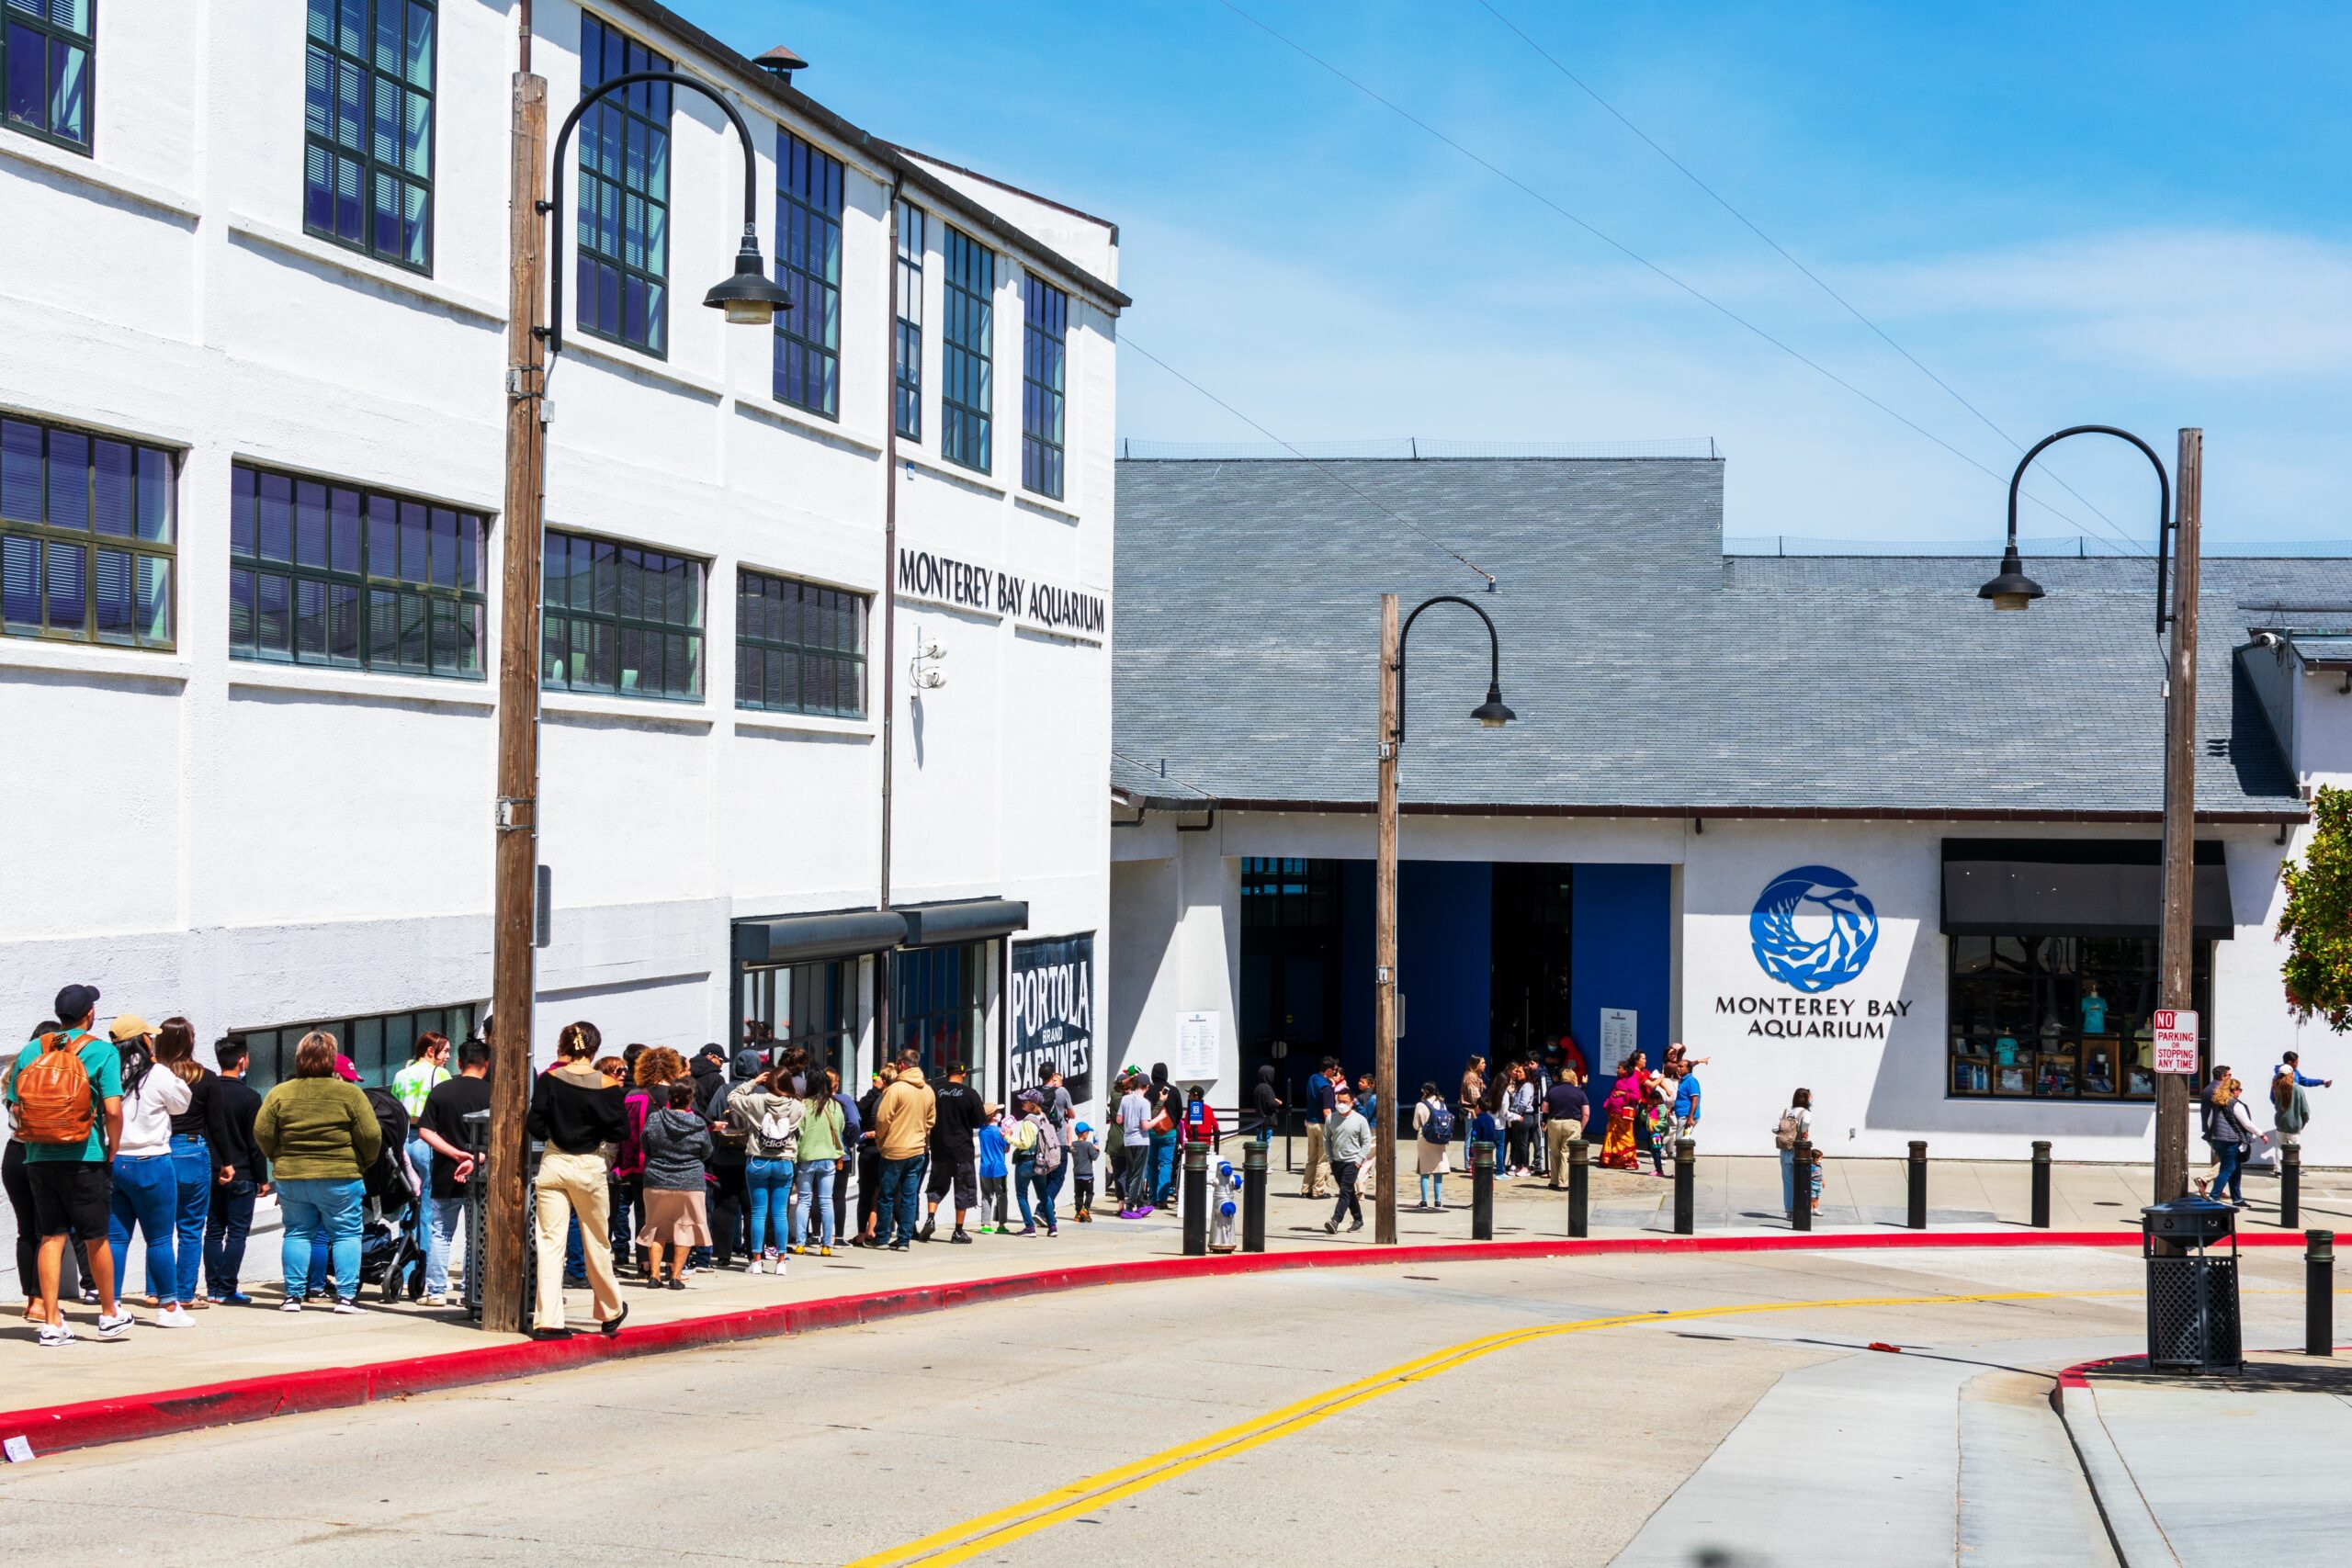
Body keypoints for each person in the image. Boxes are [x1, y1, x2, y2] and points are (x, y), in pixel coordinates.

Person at [6, 986, 130, 1345]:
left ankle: (51, 1322)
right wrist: (112, 1147)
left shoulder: (33, 1048)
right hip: (84, 1156)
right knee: (96, 1238)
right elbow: (112, 1110)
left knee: (51, 1236)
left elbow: (15, 1105)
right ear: (90, 1013)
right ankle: (109, 1313)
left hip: (38, 1158)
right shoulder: (103, 1051)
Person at [254, 1031, 379, 1315]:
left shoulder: (280, 1093)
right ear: (332, 1060)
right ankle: (346, 1298)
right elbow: (371, 1135)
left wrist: (277, 1157)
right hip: (341, 1174)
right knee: (346, 1233)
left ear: (299, 1058)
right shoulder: (350, 1093)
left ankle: (292, 1297)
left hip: (292, 1176)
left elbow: (262, 1132)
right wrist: (362, 1163)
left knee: (297, 1233)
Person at [524, 1022, 628, 1338]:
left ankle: (548, 1320)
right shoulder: (608, 1084)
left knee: (550, 1243)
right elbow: (620, 1131)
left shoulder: (550, 1080)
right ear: (594, 1049)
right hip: (589, 1165)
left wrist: (556, 1133)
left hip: (554, 1161)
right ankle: (610, 1310)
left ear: (565, 1047)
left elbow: (535, 1124)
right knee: (596, 1239)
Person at [107, 1012, 193, 1324]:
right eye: (149, 1036)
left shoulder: (106, 1071)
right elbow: (182, 1103)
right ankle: (169, 1307)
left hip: (114, 1162)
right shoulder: (156, 1074)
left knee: (116, 1238)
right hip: (152, 1161)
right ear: (142, 1040)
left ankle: (112, 1305)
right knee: (158, 1238)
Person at [153, 1016, 225, 1314]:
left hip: (159, 1149)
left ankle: (156, 1291)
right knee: (191, 1228)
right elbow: (217, 1126)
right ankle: (184, 1293)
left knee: (158, 1229)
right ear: (189, 1041)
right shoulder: (206, 1078)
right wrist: (227, 1162)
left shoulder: (153, 1076)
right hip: (193, 1150)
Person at [413, 1037, 491, 1305]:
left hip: (446, 1170)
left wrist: (454, 1153)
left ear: (459, 1062)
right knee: (476, 1236)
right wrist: (477, 1157)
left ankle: (435, 1292)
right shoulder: (493, 1093)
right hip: (482, 1173)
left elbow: (424, 1130)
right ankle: (470, 1291)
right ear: (487, 1064)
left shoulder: (441, 1091)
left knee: (441, 1232)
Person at [204, 1038, 266, 1305]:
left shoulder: (208, 1090)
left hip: (211, 1171)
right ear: (242, 1060)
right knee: (237, 1233)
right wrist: (263, 1178)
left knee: (214, 1231)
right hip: (241, 1174)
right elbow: (255, 1143)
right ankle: (228, 1288)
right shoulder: (250, 1097)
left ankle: (213, 1288)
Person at [729, 1060, 804, 1273]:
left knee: (758, 1212)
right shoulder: (797, 1106)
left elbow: (733, 1098)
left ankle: (756, 1260)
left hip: (758, 1160)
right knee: (780, 1213)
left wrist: (753, 1082)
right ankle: (780, 1261)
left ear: (768, 1083)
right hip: (784, 1161)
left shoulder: (756, 1101)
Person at [637, 1081, 713, 1289]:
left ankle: (654, 1275)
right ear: (691, 1098)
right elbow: (706, 1151)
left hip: (656, 1180)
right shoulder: (697, 1123)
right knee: (685, 1228)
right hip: (689, 1182)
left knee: (655, 1226)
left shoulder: (654, 1119)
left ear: (669, 1097)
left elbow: (646, 1144)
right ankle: (676, 1276)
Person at [701, 1048, 762, 1270]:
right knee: (752, 1206)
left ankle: (723, 1253)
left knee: (725, 1205)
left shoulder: (724, 1090)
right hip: (754, 1156)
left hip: (725, 1155)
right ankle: (753, 1251)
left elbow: (711, 1117)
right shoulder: (762, 1091)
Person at [873, 1052, 934, 1250]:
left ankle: (882, 1237)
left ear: (901, 1065)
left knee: (887, 1195)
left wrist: (882, 1139)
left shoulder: (896, 1089)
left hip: (894, 1149)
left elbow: (883, 1119)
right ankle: (904, 1239)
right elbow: (930, 1121)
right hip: (917, 1149)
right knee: (909, 1196)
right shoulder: (927, 1090)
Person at [920, 1061, 986, 1243]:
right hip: (961, 1149)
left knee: (935, 1186)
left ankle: (931, 1218)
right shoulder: (970, 1094)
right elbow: (978, 1122)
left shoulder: (935, 1091)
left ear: (946, 1072)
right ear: (964, 1075)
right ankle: (958, 1231)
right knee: (963, 1189)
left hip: (939, 1148)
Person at [790, 1067, 845, 1257]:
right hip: (829, 1157)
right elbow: (841, 1127)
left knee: (804, 1200)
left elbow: (799, 1132)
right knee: (826, 1200)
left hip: (806, 1157)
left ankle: (800, 1243)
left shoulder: (803, 1105)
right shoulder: (834, 1105)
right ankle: (826, 1245)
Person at [390, 1032, 451, 1200]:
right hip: (428, 1139)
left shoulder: (400, 1075)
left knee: (406, 1191)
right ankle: (424, 1228)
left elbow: (394, 1107)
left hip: (404, 1140)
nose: (448, 1056)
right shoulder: (441, 1074)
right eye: (445, 1051)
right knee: (427, 1192)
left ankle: (406, 1227)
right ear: (431, 1051)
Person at [2200, 1069, 2255, 1207]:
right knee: (2227, 1168)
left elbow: (2209, 1121)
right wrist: (2261, 1134)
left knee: (2234, 1168)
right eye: (2238, 1089)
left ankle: (2237, 1198)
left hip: (2217, 1138)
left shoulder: (2216, 1100)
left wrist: (2213, 1133)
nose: (2240, 1092)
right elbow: (2246, 1123)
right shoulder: (2234, 1103)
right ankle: (2214, 1196)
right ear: (2232, 1090)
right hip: (2230, 1140)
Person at [853, 1065, 892, 1247]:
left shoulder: (881, 1097)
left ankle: (865, 1231)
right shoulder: (891, 1097)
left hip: (873, 1150)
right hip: (883, 1149)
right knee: (878, 1192)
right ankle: (872, 1230)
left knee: (868, 1193)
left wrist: (874, 1090)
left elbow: (860, 1110)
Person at [1323, 1087, 1371, 1234]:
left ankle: (1335, 1220)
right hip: (1337, 1162)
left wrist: (1358, 1160)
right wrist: (1330, 1158)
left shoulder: (1360, 1120)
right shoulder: (1332, 1118)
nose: (1341, 1104)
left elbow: (1366, 1142)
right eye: (1339, 1101)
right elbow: (1326, 1139)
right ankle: (1358, 1219)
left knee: (1344, 1191)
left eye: (1344, 1101)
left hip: (1352, 1162)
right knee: (1348, 1192)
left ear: (1352, 1102)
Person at [1543, 1068, 1589, 1188]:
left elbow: (1544, 1109)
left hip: (1554, 1123)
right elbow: (1586, 1113)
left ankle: (1553, 1180)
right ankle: (1563, 1182)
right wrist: (1581, 1127)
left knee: (1554, 1152)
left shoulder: (1551, 1090)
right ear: (1573, 1078)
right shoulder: (1579, 1092)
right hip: (1572, 1123)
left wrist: (1546, 1120)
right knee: (1566, 1153)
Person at [1118, 1071, 1155, 1219]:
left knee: (1133, 1173)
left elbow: (1119, 1119)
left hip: (1128, 1140)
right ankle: (1129, 1207)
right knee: (1138, 1175)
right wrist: (1160, 1118)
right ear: (1146, 1087)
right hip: (1141, 1140)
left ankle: (1140, 1205)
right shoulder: (1145, 1103)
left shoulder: (1125, 1099)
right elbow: (1145, 1126)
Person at [1600, 1054, 1645, 1171]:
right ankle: (1611, 1160)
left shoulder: (1632, 1080)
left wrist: (1623, 1094)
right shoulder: (1618, 1079)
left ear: (1625, 1070)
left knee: (1626, 1137)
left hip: (1623, 1115)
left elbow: (1636, 1096)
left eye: (1619, 1068)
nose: (1617, 1069)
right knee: (1612, 1136)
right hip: (1613, 1114)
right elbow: (1612, 1092)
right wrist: (1607, 1104)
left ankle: (1630, 1160)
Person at [1412, 1082, 1453, 1210]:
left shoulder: (1420, 1105)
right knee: (1438, 1171)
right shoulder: (1442, 1104)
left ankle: (1424, 1201)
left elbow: (1415, 1125)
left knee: (1425, 1171)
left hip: (1424, 1139)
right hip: (1440, 1139)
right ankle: (1438, 1201)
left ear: (1425, 1092)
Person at [1774, 1088, 1814, 1215]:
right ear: (1806, 1099)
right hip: (1799, 1150)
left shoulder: (1785, 1111)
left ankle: (1789, 1210)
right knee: (1801, 1180)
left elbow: (1774, 1128)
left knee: (1788, 1181)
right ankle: (1801, 1208)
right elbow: (1806, 1123)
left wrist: (1786, 1132)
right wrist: (1801, 1131)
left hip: (1785, 1149)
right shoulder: (1805, 1112)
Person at [1148, 1063, 1183, 1208]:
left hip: (1150, 1132)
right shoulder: (1173, 1091)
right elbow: (1180, 1112)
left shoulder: (1148, 1090)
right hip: (1169, 1133)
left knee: (1151, 1165)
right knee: (1166, 1164)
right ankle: (1162, 1198)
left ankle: (1152, 1198)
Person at [1301, 1057, 1336, 1198]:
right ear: (1328, 1070)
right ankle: (1318, 1191)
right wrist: (1334, 1129)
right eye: (1334, 1070)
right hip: (1322, 1124)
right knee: (1324, 1159)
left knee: (1312, 1158)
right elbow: (1327, 1111)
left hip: (1310, 1123)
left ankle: (1306, 1189)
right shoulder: (1326, 1088)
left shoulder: (1312, 1078)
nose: (1335, 1072)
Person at [978, 1104, 1011, 1233]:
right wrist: (1008, 1136)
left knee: (986, 1195)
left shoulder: (982, 1131)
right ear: (993, 1116)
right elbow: (1006, 1149)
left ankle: (986, 1225)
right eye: (997, 1112)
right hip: (1000, 1170)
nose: (999, 1114)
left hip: (984, 1169)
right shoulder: (1000, 1132)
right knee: (1002, 1196)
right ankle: (1001, 1225)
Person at [2274, 1063, 2312, 1170]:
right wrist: (2304, 1121)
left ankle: (2279, 1169)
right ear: (2291, 1074)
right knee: (2294, 1149)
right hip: (2294, 1124)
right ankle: (2292, 1170)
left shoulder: (2277, 1087)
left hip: (2280, 1123)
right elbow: (2304, 1109)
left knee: (2280, 1147)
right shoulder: (2297, 1089)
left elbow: (2276, 1105)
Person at [1504, 1064, 1536, 1176]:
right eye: (1517, 1071)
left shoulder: (1527, 1085)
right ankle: (1518, 1165)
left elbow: (1523, 1104)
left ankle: (1525, 1166)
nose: (1517, 1074)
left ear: (1526, 1073)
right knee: (1517, 1143)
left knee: (1523, 1143)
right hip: (1517, 1116)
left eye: (1520, 1072)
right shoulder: (1520, 1085)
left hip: (1524, 1116)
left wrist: (1514, 1114)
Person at [1068, 1122, 1098, 1222]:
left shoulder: (1073, 1145)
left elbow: (1070, 1149)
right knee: (1090, 1193)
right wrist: (1097, 1149)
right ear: (1084, 1133)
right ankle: (1085, 1209)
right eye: (1088, 1132)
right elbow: (1095, 1157)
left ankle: (1078, 1214)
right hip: (1088, 1175)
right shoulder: (1088, 1145)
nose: (1088, 1134)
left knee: (1078, 1195)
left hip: (1077, 1175)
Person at [1671, 1060, 1702, 1150]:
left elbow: (1695, 1099)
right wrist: (1673, 1108)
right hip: (1683, 1115)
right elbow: (1683, 1098)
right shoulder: (1683, 1080)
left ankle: (1681, 1162)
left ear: (1688, 1069)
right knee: (1682, 1141)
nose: (1678, 1068)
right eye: (1678, 1066)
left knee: (1680, 1141)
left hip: (1686, 1117)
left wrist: (1690, 1117)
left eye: (1681, 1066)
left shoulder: (1691, 1081)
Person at [1251, 1065, 1283, 1145]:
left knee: (1259, 1142)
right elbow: (1271, 1104)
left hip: (1258, 1121)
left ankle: (1259, 1157)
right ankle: (1263, 1157)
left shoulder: (1258, 1087)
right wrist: (1277, 1103)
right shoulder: (1267, 1088)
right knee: (1265, 1144)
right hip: (1267, 1122)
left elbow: (1262, 1100)